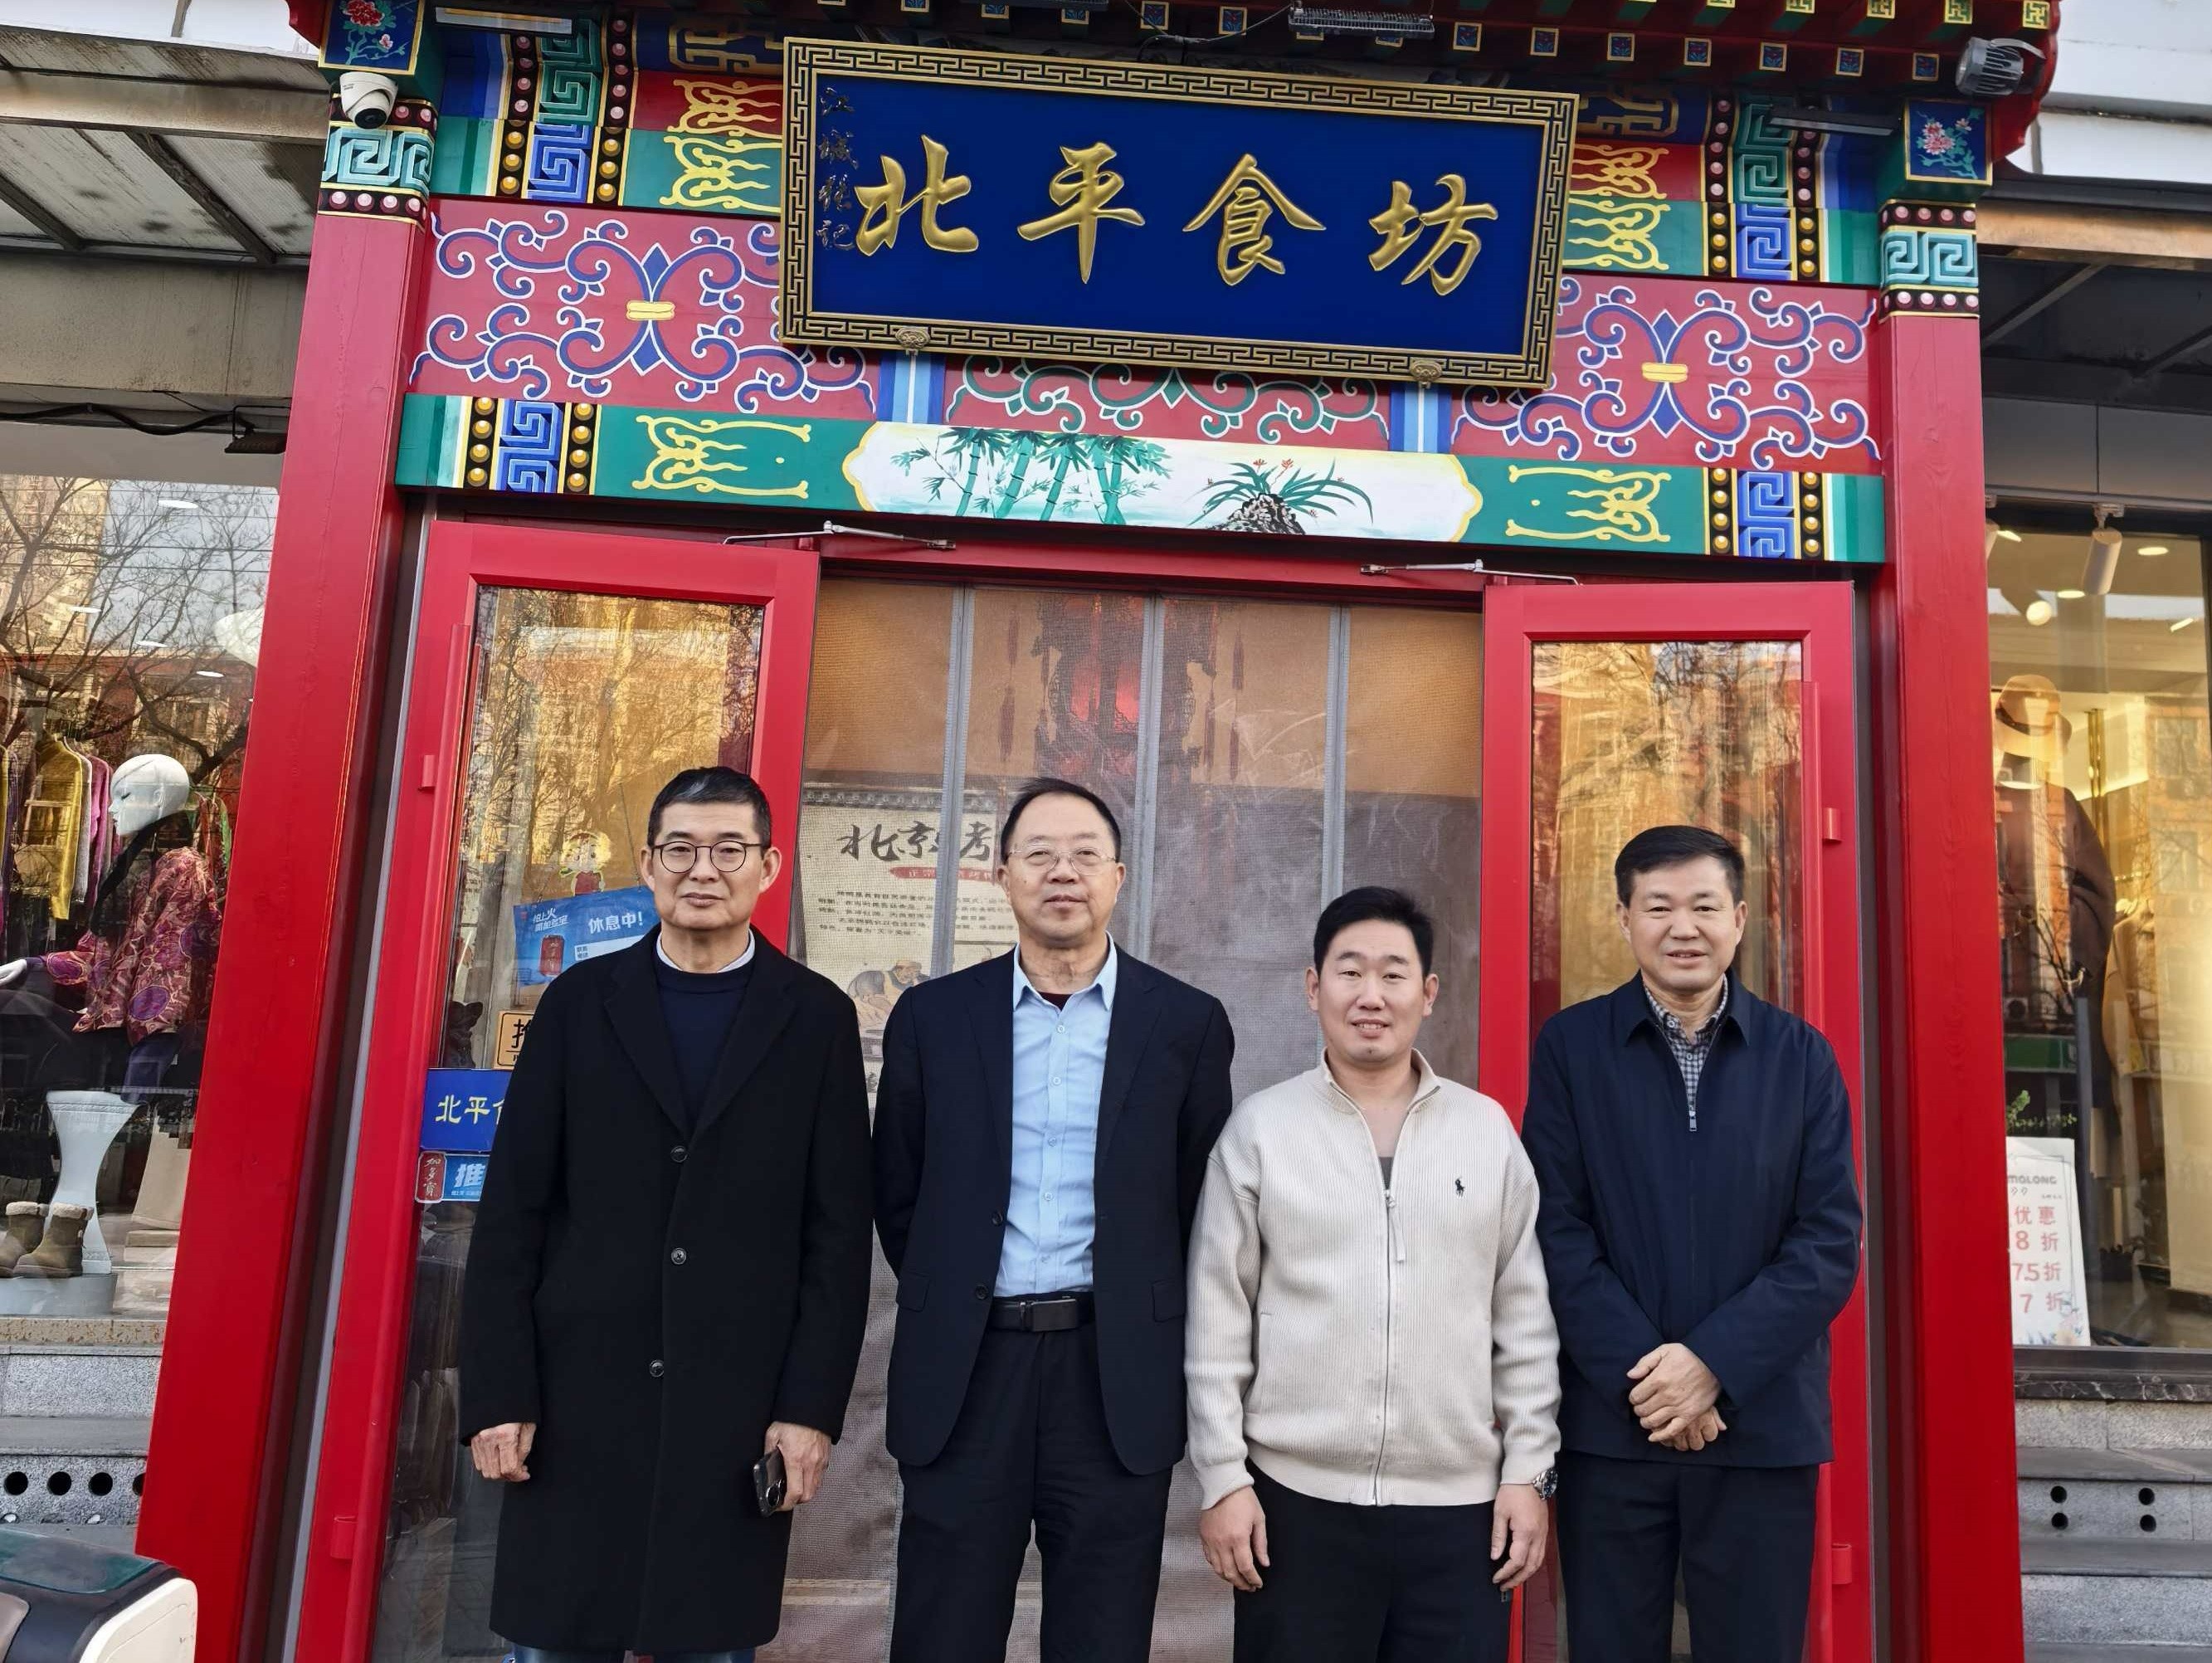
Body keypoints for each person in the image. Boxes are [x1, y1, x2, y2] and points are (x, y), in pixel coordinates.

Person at [458, 767, 874, 1663]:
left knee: (708, 1637)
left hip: (734, 1409)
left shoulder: (815, 1019)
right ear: (648, 865)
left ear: (768, 866)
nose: (703, 870)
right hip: (574, 1406)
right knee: (556, 1637)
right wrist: (498, 1394)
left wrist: (809, 1410)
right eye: (680, 849)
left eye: (729, 850)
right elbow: (512, 1215)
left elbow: (836, 1240)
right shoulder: (578, 1005)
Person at [874, 777, 1235, 1663]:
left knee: (1102, 1637)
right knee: (942, 1635)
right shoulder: (932, 1018)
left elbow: (1199, 1201)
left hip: (1113, 1374)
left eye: (1084, 855)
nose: (1062, 873)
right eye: (1039, 854)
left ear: (1118, 878)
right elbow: (899, 1193)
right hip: (969, 1369)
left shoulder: (1185, 1024)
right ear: (1002, 875)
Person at [1186, 886, 1561, 1663]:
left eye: (1394, 974)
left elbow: (1524, 1318)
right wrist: (1223, 1479)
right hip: (1293, 1507)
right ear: (1313, 986)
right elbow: (1218, 1320)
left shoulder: (1485, 1130)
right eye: (1350, 971)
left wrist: (1528, 1472)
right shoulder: (1262, 1131)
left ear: (1428, 993)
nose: (1371, 995)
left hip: (1460, 1514)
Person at [1520, 825, 1862, 1663]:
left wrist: (1712, 1366)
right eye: (1658, 907)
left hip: (1761, 1427)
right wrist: (1650, 1382)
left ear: (1739, 919)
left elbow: (1826, 1241)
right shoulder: (1571, 1049)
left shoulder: (1800, 1058)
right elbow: (1554, 1227)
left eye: (1704, 906)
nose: (1683, 927)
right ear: (1623, 919)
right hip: (1614, 1428)